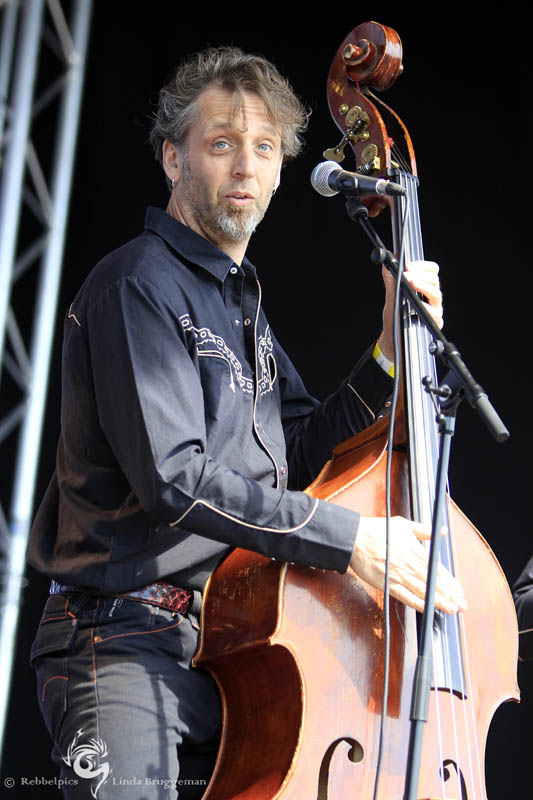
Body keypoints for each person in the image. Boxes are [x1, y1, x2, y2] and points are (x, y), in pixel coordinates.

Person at [27, 46, 465, 799]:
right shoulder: (138, 285)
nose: (244, 166)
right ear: (173, 158)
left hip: (226, 646)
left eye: (263, 147)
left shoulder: (243, 305)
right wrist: (351, 539)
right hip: (121, 639)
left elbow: (298, 452)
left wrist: (389, 354)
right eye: (220, 143)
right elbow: (177, 482)